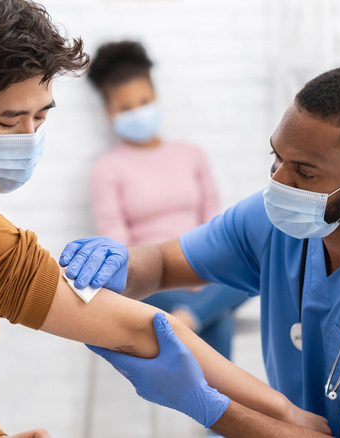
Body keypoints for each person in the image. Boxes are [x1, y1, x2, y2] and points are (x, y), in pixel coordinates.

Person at [0, 1, 331, 437]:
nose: (29, 138)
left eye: (40, 116)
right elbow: (141, 329)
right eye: (9, 120)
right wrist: (288, 417)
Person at [61, 65, 340, 437]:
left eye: (304, 172)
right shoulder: (275, 221)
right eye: (277, 158)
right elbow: (161, 264)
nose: (278, 182)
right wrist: (121, 265)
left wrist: (209, 406)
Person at [87, 40, 250, 360]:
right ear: (109, 113)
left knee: (252, 268)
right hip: (150, 282)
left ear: (156, 98)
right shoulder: (106, 169)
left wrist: (200, 272)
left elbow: (212, 224)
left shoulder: (191, 155)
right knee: (219, 320)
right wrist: (167, 275)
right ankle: (200, 320)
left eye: (144, 101)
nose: (137, 112)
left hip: (202, 268)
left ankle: (186, 321)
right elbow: (116, 242)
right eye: (125, 107)